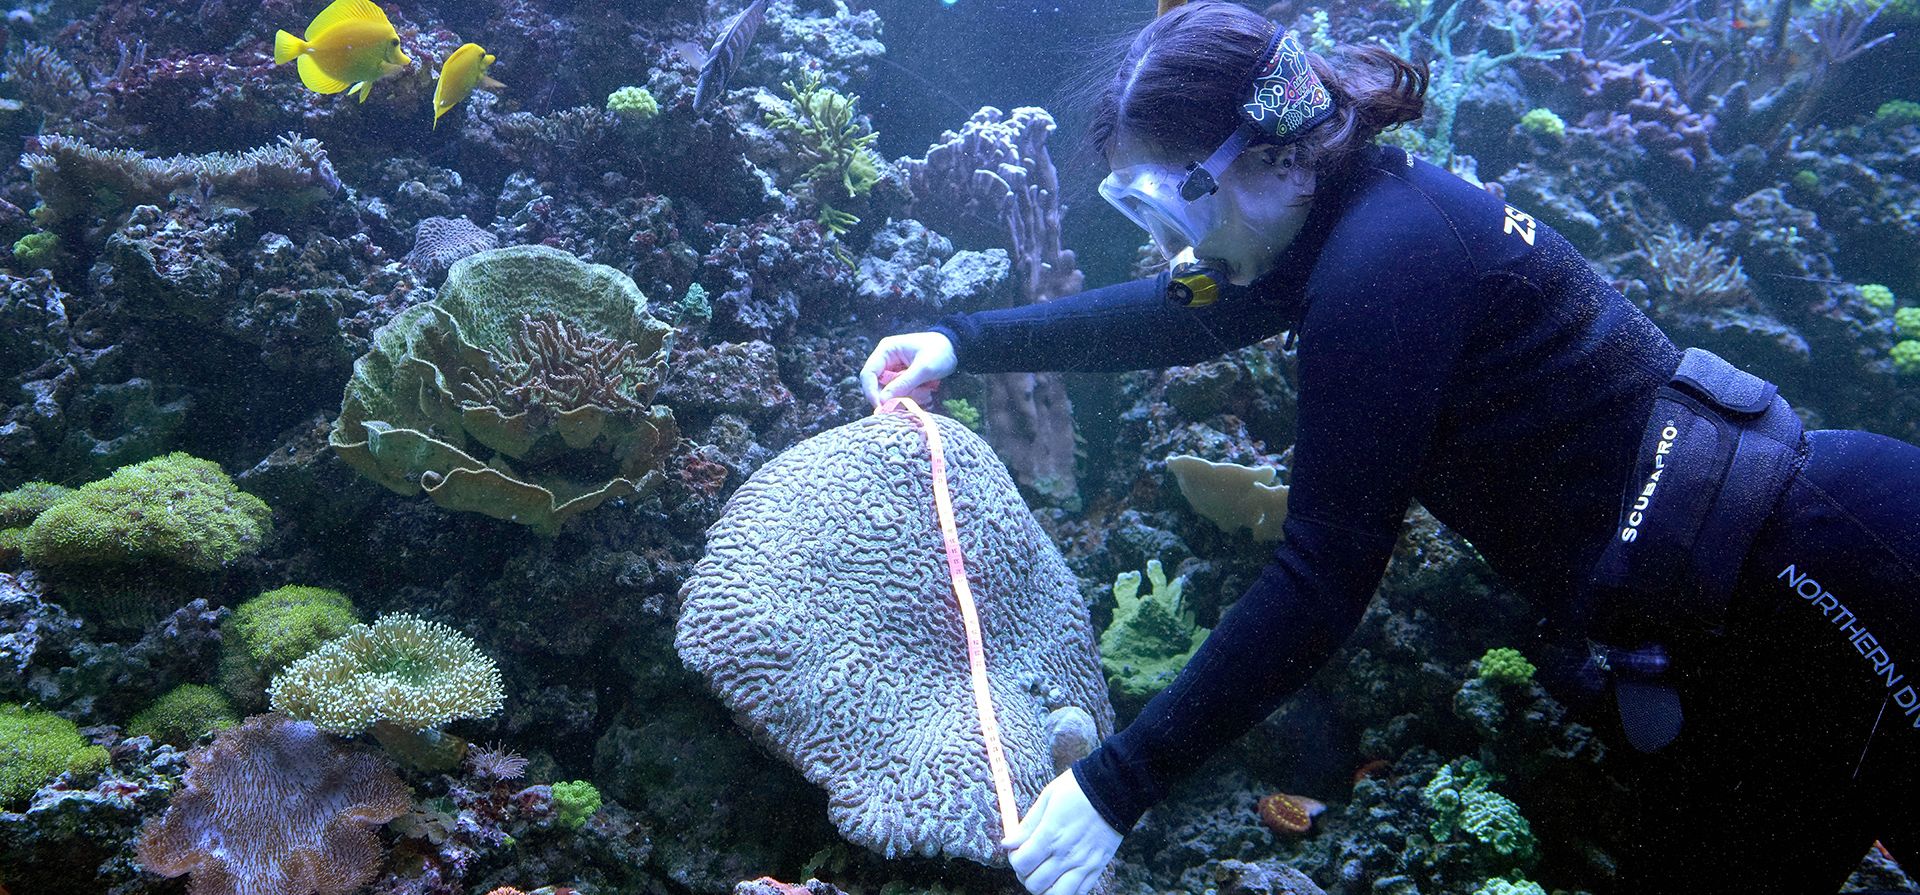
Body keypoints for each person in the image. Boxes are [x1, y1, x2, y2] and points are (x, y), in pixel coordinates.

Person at [859, 3, 1920, 894]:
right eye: (1126, 200)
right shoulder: (1348, 218)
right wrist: (963, 342)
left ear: (1271, 154)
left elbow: (1323, 580)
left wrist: (1115, 785)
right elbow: (1177, 312)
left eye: (1163, 197)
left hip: (1837, 586)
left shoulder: (1383, 268)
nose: (1162, 237)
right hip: (1751, 627)